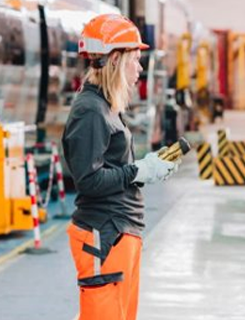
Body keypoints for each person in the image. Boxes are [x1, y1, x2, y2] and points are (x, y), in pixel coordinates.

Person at [62, 14, 179, 320]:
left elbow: (113, 168)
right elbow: (88, 180)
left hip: (119, 232)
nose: (140, 68)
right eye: (135, 59)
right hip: (104, 235)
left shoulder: (106, 105)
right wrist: (138, 171)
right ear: (115, 59)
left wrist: (146, 168)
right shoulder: (90, 110)